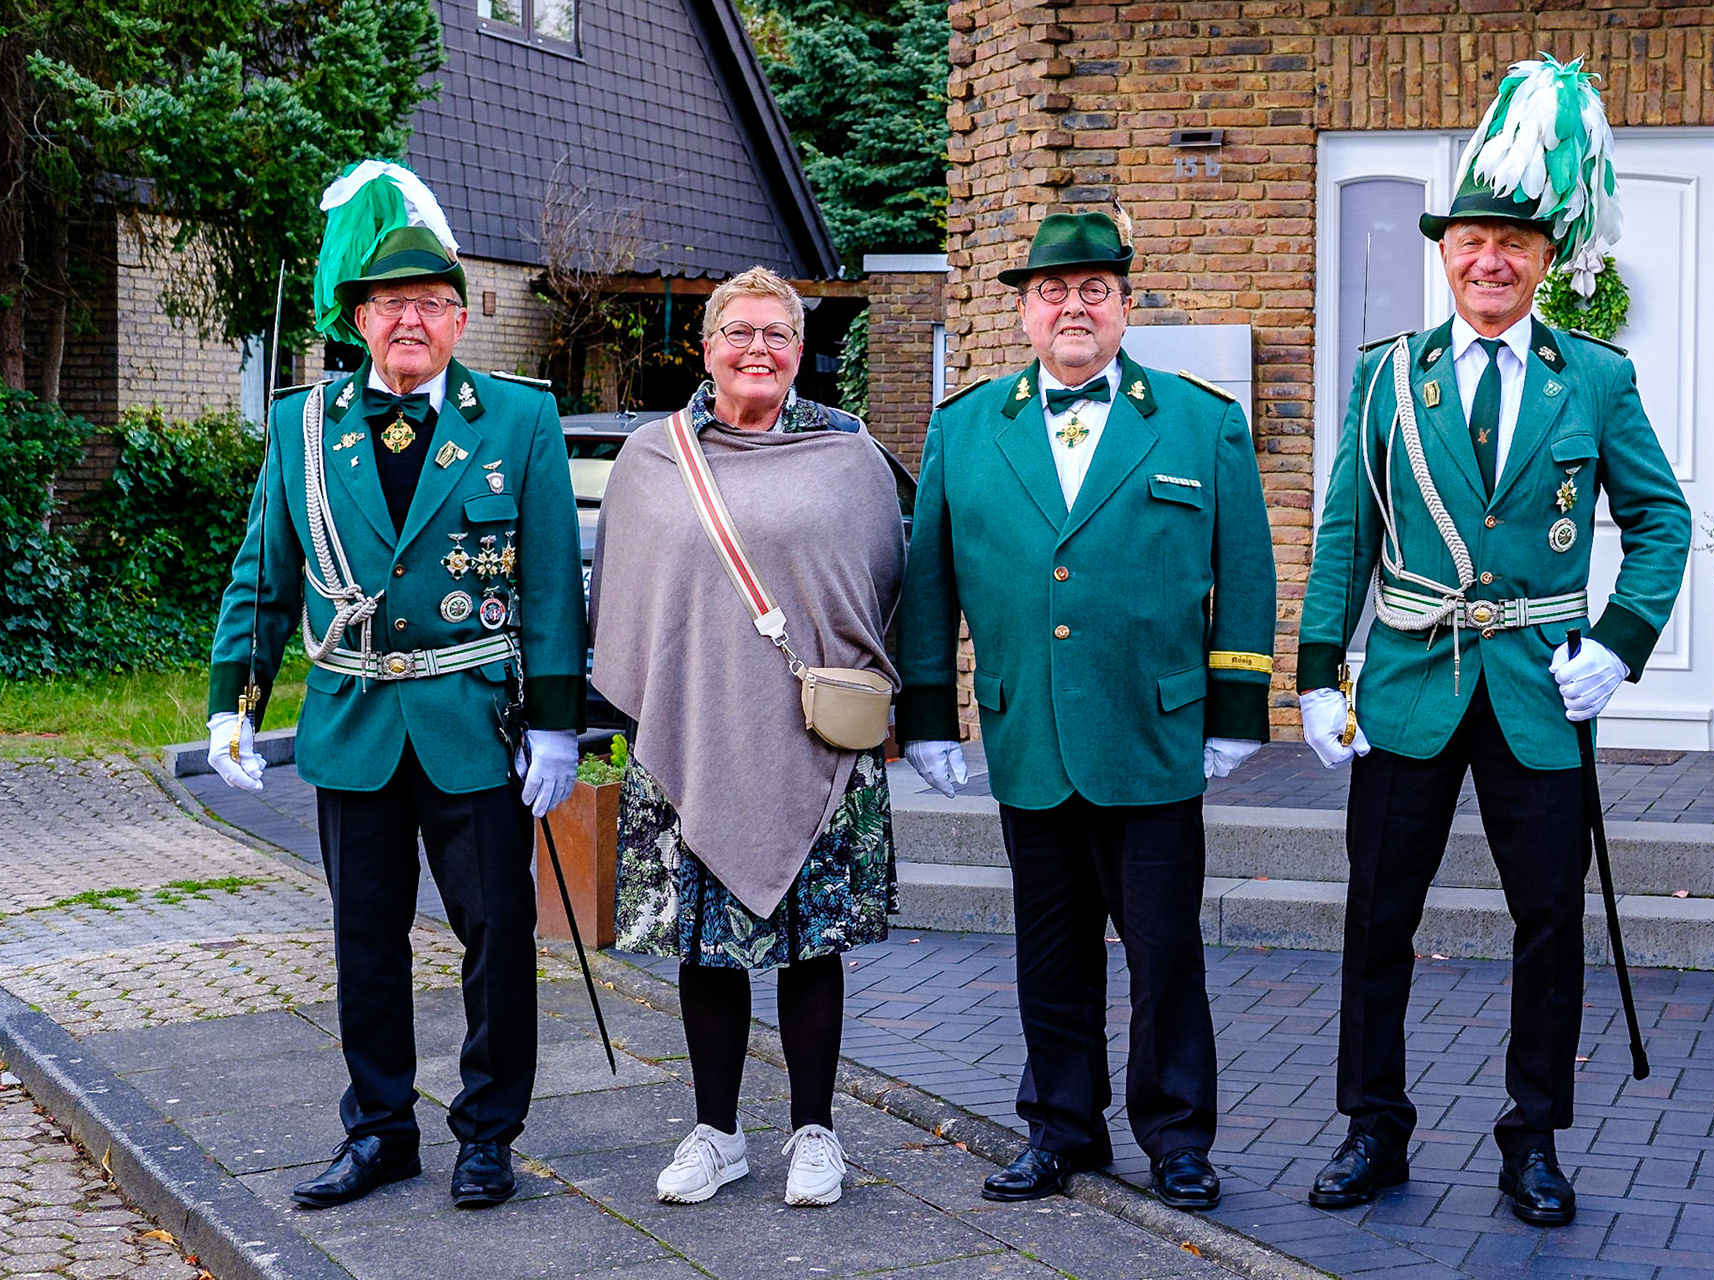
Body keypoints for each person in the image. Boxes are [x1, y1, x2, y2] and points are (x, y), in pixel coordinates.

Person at [1296, 57, 1691, 1228]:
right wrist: (1320, 670)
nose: (1490, 259)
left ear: (1546, 258)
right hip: (1412, 678)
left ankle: (1534, 1137)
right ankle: (1374, 1124)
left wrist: (1619, 642)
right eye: (1471, 238)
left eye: (1513, 242)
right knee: (1378, 917)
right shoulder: (1384, 382)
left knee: (1549, 924)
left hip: (1538, 686)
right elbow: (1345, 532)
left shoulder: (1599, 378)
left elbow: (1660, 519)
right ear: (1445, 250)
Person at [205, 160, 586, 1210]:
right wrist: (231, 703)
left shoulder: (518, 420)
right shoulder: (302, 427)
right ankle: (379, 1131)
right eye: (389, 303)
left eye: (430, 302)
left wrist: (558, 724)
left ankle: (487, 1132)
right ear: (359, 316)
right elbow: (264, 577)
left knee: (499, 940)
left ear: (460, 319)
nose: (408, 319)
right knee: (365, 944)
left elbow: (554, 582)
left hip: (475, 722)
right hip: (356, 720)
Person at [897, 210, 1277, 1211]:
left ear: (1124, 305)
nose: (1074, 306)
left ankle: (1178, 1137)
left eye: (1093, 289)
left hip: (1153, 731)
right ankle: (1062, 1126)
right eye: (1052, 291)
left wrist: (1238, 706)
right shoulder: (965, 426)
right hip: (1030, 731)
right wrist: (930, 713)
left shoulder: (1202, 421)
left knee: (1165, 952)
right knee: (1048, 951)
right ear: (1025, 311)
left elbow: (1244, 574)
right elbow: (928, 583)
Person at [587, 266, 905, 1208]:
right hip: (691, 733)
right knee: (706, 948)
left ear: (800, 352)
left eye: (777, 333)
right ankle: (715, 1134)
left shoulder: (851, 457)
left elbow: (890, 590)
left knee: (814, 944)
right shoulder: (654, 458)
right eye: (739, 332)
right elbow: (624, 596)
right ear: (707, 345)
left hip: (818, 742)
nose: (757, 348)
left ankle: (816, 1133)